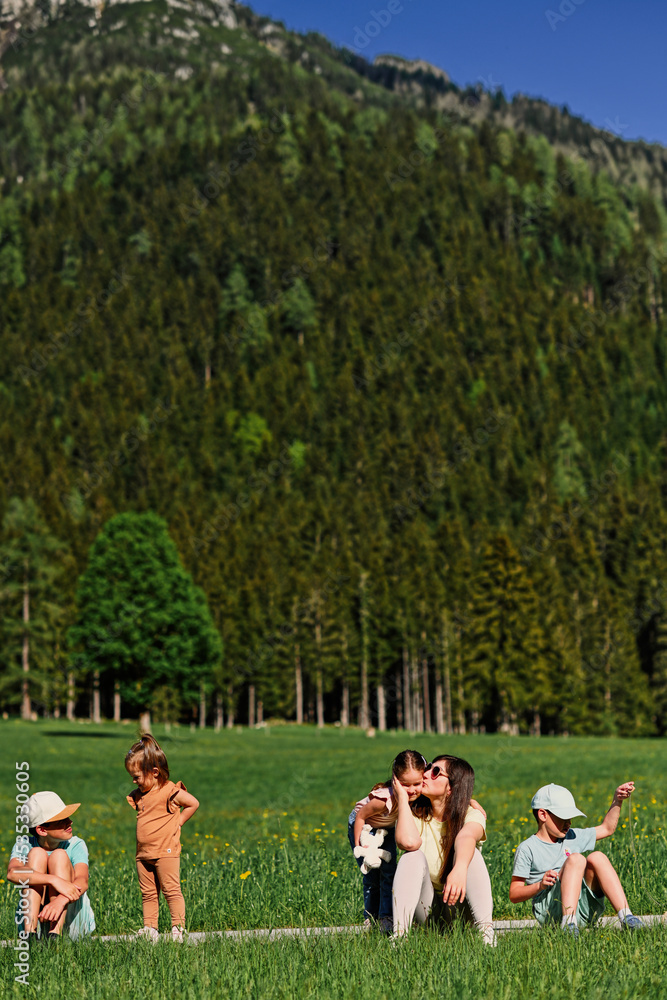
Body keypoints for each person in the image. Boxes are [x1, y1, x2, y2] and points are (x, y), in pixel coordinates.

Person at [509, 781, 645, 937]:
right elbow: (514, 894)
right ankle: (568, 923)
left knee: (597, 857)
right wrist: (539, 885)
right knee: (576, 859)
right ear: (542, 815)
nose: (569, 823)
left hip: (584, 909)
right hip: (551, 914)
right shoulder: (527, 848)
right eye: (563, 817)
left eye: (570, 817)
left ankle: (626, 916)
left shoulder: (572, 836)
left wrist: (617, 800)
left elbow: (607, 828)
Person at [392, 755, 494, 944]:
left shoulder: (472, 814)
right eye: (429, 767)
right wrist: (402, 799)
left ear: (451, 788)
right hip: (428, 912)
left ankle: (487, 936)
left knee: (471, 855)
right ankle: (399, 938)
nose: (426, 774)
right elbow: (407, 842)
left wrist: (460, 868)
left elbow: (467, 836)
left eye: (436, 771)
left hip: (460, 910)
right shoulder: (413, 813)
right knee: (411, 857)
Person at [125, 733, 199, 942]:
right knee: (148, 893)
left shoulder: (170, 791)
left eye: (137, 776)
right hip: (143, 853)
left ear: (154, 772)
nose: (134, 781)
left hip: (166, 851)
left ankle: (178, 927)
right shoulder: (140, 794)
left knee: (171, 891)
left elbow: (193, 803)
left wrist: (179, 821)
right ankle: (150, 928)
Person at [348, 749, 426, 932]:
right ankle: (370, 918)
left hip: (387, 829)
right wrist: (361, 844)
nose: (412, 790)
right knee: (371, 874)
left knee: (389, 873)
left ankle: (386, 917)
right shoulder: (384, 799)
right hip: (365, 828)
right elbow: (360, 816)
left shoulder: (418, 795)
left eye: (417, 783)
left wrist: (471, 802)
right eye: (406, 784)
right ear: (396, 780)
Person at [7, 791, 96, 943]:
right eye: (61, 820)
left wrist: (60, 901)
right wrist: (53, 880)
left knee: (59, 855)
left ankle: (55, 935)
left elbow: (82, 881)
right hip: (37, 919)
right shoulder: (25, 844)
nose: (69, 822)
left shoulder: (75, 844)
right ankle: (30, 936)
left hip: (71, 921)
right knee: (36, 854)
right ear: (42, 830)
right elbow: (12, 873)